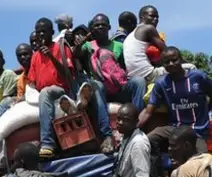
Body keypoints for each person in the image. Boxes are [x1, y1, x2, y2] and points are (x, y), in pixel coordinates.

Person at [28, 18, 114, 158]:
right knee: (44, 93)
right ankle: (75, 105)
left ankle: (47, 143)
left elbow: (67, 73)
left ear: (52, 32)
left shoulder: (61, 47)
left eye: (44, 31)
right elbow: (32, 82)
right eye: (39, 33)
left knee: (49, 92)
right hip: (48, 96)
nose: (41, 35)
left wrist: (51, 56)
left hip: (62, 88)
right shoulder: (35, 56)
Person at [138, 46, 212, 154]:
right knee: (144, 142)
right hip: (174, 129)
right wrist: (132, 130)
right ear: (162, 64)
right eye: (167, 62)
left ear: (181, 59)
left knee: (201, 161)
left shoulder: (198, 77)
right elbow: (148, 111)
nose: (171, 64)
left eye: (174, 60)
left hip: (197, 131)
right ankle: (155, 169)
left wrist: (206, 112)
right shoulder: (161, 83)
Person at [76, 13, 147, 112]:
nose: (100, 27)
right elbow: (77, 55)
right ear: (92, 29)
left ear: (109, 27)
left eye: (103, 24)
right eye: (97, 25)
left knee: (138, 81)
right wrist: (78, 46)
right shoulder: (87, 46)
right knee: (97, 85)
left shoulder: (119, 46)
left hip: (119, 87)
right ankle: (104, 127)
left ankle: (136, 118)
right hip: (100, 90)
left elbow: (125, 67)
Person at [122, 5, 167, 83]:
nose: (156, 19)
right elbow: (167, 52)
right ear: (142, 17)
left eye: (157, 17)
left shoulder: (130, 36)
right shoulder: (148, 28)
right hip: (149, 75)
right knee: (190, 67)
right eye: (152, 16)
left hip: (133, 77)